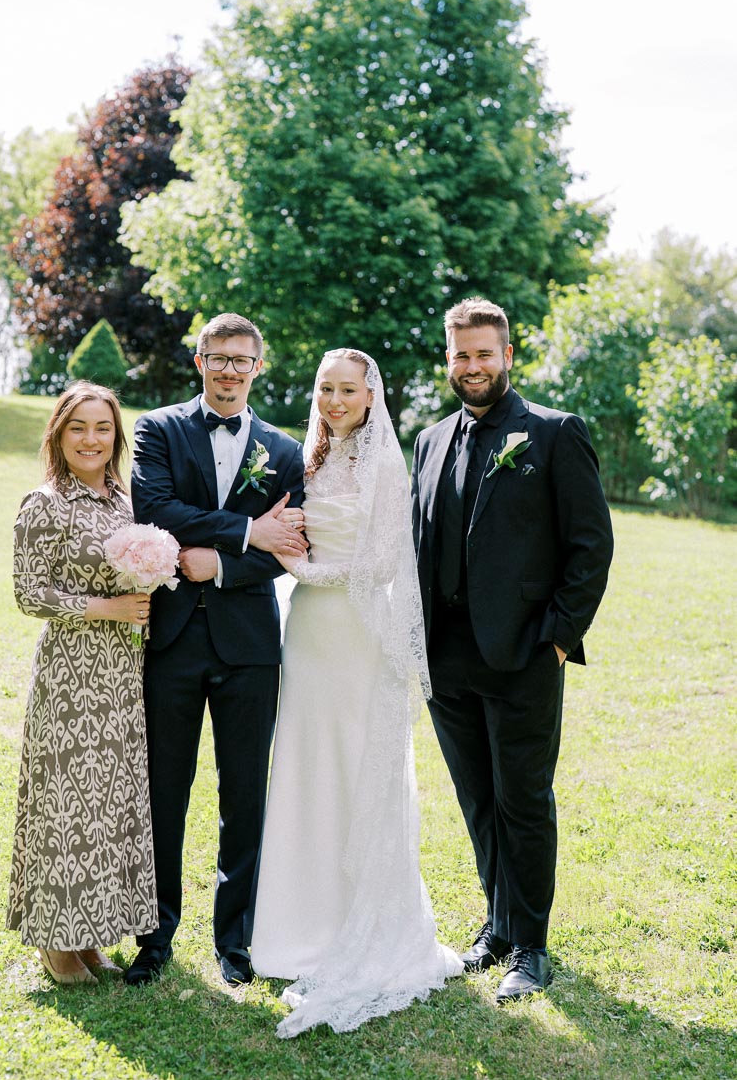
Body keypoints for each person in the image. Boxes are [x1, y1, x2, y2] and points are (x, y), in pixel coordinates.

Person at [251, 349, 464, 1037]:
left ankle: (357, 924)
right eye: (326, 389)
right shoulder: (304, 459)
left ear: (371, 396)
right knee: (306, 764)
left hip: (355, 632)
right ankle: (298, 927)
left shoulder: (382, 464)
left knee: (353, 767)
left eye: (348, 390)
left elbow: (379, 562)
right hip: (307, 636)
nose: (335, 400)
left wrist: (296, 567)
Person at [411, 298, 614, 1002]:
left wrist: (557, 639)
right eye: (461, 355)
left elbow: (591, 546)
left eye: (483, 354)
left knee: (523, 799)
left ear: (507, 356)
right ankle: (497, 927)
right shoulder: (430, 439)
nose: (472, 366)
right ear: (449, 359)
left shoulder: (554, 433)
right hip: (446, 658)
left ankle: (530, 946)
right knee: (477, 800)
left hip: (524, 653)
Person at [126, 313, 306, 988]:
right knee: (163, 792)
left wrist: (225, 562)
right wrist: (246, 530)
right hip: (171, 639)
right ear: (198, 361)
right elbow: (156, 508)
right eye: (218, 358)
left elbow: (292, 548)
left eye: (242, 360)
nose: (230, 370)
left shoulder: (285, 453)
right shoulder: (159, 429)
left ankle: (235, 942)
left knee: (245, 798)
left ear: (258, 367)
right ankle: (155, 935)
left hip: (251, 645)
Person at [8, 381, 158, 985]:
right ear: (59, 435)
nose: (91, 439)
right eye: (78, 428)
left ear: (115, 436)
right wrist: (106, 609)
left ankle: (90, 932)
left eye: (102, 428)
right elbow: (27, 592)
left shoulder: (126, 501)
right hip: (72, 671)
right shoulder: (44, 503)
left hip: (125, 674)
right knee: (66, 799)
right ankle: (54, 939)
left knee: (107, 804)